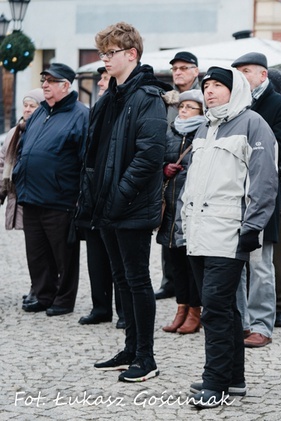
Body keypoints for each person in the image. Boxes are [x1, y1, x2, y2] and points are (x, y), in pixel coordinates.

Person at [77, 22, 170, 383]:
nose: (104, 60)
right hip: (107, 204)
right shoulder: (111, 97)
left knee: (137, 280)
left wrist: (118, 196)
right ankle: (130, 349)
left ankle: (146, 358)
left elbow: (150, 156)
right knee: (121, 278)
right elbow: (97, 152)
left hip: (130, 206)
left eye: (110, 53)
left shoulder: (146, 96)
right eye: (102, 53)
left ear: (131, 54)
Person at [181, 66, 277, 408]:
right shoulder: (205, 128)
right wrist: (183, 222)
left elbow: (265, 182)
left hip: (228, 233)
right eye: (206, 86)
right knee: (226, 309)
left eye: (217, 86)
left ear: (234, 89)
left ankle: (215, 383)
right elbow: (192, 182)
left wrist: (252, 227)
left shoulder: (254, 125)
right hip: (197, 232)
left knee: (216, 310)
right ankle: (234, 378)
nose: (209, 92)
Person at [231, 51, 281, 344]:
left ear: (263, 75)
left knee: (261, 263)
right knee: (234, 262)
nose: (242, 76)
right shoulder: (233, 104)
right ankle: (240, 321)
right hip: (232, 193)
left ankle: (261, 323)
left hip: (263, 191)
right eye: (239, 71)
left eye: (247, 71)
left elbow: (280, 152)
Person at [13, 64, 87, 317]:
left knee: (63, 255)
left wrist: (79, 197)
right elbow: (25, 148)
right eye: (44, 80)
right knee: (36, 252)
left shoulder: (80, 115)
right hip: (31, 195)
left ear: (66, 86)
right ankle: (43, 294)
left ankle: (64, 300)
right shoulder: (40, 112)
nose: (44, 84)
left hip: (60, 198)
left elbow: (85, 159)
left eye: (51, 81)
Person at [157, 89, 206, 335]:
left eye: (190, 107)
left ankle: (195, 311)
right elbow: (157, 160)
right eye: (182, 106)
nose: (183, 111)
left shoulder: (204, 132)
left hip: (191, 208)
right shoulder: (170, 131)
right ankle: (181, 307)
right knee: (175, 261)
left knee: (192, 262)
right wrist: (164, 168)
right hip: (169, 206)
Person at [79, 68, 125, 328]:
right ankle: (100, 307)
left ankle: (124, 312)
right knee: (96, 254)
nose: (100, 82)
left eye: (105, 77)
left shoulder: (122, 105)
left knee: (118, 257)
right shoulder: (98, 106)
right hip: (92, 188)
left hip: (113, 189)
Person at [156, 50, 201, 301]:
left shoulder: (202, 98)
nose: (178, 73)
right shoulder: (167, 99)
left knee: (186, 238)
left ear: (195, 70)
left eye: (184, 68)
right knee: (168, 232)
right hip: (170, 179)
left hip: (190, 181)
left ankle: (191, 297)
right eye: (175, 69)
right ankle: (170, 282)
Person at [0, 88, 43, 305]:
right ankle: (36, 286)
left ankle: (42, 288)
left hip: (37, 195)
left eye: (32, 105)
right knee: (33, 247)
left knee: (41, 248)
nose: (27, 109)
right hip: (19, 195)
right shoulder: (15, 131)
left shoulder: (40, 130)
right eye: (25, 105)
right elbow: (2, 162)